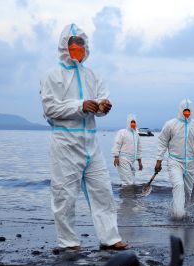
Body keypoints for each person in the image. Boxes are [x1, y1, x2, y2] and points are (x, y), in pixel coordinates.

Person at [40, 24, 127, 251]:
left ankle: (110, 238)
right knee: (64, 194)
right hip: (65, 143)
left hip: (91, 143)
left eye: (81, 44)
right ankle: (69, 242)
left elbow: (100, 100)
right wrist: (81, 106)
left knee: (103, 191)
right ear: (64, 47)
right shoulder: (52, 75)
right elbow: (50, 109)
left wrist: (102, 106)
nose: (77, 48)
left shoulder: (92, 75)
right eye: (73, 44)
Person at [155, 99, 194, 218]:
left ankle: (181, 209)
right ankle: (178, 214)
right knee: (178, 185)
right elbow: (162, 142)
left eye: (189, 111)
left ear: (192, 111)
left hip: (190, 162)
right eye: (185, 110)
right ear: (180, 110)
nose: (187, 113)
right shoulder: (171, 124)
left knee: (187, 191)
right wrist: (159, 160)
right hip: (175, 161)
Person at [112, 114, 143, 186]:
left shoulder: (136, 135)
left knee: (131, 179)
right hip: (123, 159)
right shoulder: (122, 132)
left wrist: (140, 162)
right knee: (127, 181)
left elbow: (139, 149)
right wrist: (116, 157)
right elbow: (117, 144)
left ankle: (127, 195)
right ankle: (127, 195)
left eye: (134, 122)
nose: (133, 124)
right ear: (128, 122)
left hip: (132, 160)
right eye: (131, 122)